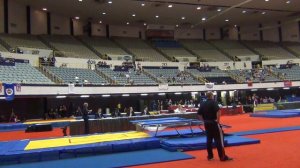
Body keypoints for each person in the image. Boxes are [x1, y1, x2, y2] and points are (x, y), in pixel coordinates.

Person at [197, 91, 233, 162]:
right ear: (212, 96)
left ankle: (210, 156)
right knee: (219, 140)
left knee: (209, 140)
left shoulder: (203, 104)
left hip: (206, 123)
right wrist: (218, 120)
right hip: (213, 122)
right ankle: (222, 157)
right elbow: (218, 111)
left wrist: (203, 121)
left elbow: (199, 114)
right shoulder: (214, 102)